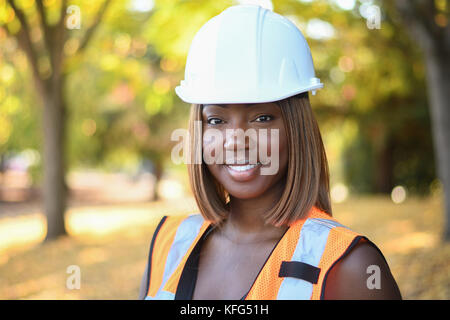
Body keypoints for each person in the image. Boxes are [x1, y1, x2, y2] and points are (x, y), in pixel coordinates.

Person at [139, 4, 401, 300]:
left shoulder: (351, 266)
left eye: (262, 118)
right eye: (216, 120)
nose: (236, 141)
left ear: (296, 128)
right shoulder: (169, 243)